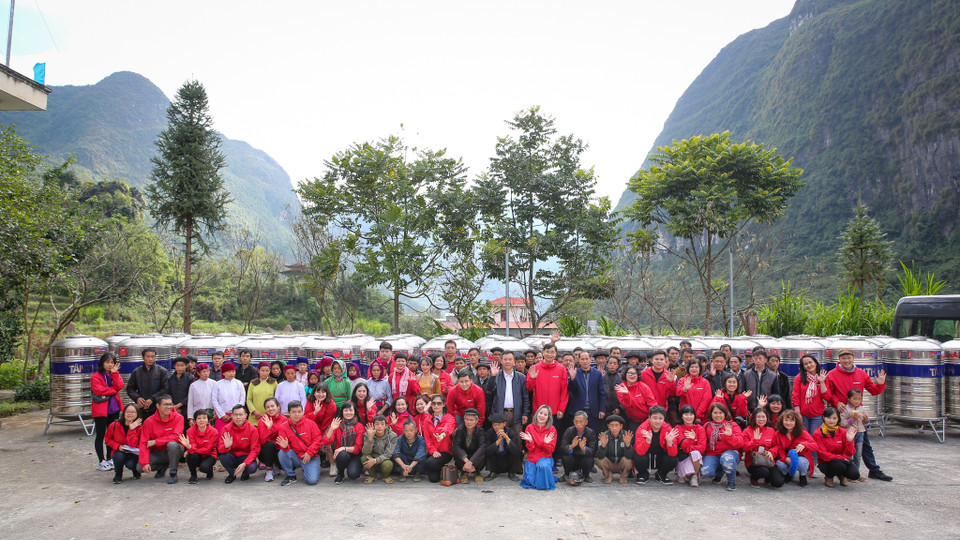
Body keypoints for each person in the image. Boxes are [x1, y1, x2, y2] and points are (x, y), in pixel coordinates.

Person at [825, 347, 892, 481]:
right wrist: (836, 401)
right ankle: (841, 472)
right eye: (843, 358)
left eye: (848, 357)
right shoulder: (832, 374)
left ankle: (873, 470)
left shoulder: (861, 374)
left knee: (864, 445)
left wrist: (880, 385)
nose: (846, 360)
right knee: (839, 445)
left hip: (857, 418)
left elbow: (873, 391)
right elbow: (826, 393)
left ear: (853, 358)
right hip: (841, 416)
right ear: (839, 360)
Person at [138, 395, 185, 484]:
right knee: (139, 468)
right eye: (166, 404)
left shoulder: (178, 418)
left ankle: (173, 473)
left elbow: (176, 436)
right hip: (158, 452)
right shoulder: (149, 421)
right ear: (157, 406)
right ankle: (162, 466)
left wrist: (156, 441)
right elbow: (144, 442)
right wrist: (145, 462)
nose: (169, 407)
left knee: (172, 444)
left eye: (171, 404)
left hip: (175, 450)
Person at [276, 400, 323, 486]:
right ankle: (290, 476)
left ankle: (308, 468)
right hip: (296, 456)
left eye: (299, 412)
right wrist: (285, 447)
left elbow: (318, 439)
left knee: (311, 481)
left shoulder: (310, 423)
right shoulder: (283, 427)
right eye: (294, 412)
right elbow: (283, 445)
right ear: (288, 413)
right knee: (282, 453)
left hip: (310, 456)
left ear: (302, 412)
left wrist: (310, 452)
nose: (297, 414)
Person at [92, 352, 124, 471]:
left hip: (113, 408)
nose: (110, 365)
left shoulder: (115, 374)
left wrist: (115, 374)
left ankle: (110, 458)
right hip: (100, 410)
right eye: (107, 362)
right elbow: (99, 390)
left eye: (112, 362)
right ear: (102, 363)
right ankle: (101, 460)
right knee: (100, 435)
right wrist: (112, 390)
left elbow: (119, 386)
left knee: (112, 434)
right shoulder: (96, 376)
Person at [632, 405, 679, 485]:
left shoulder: (668, 428)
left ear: (664, 419)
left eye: (660, 418)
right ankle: (643, 474)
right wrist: (647, 441)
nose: (657, 421)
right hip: (646, 456)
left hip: (660, 455)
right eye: (655, 418)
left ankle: (661, 474)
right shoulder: (642, 428)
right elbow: (639, 451)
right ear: (649, 417)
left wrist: (669, 443)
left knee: (673, 458)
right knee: (638, 456)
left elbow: (673, 453)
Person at [813, 406, 859, 487]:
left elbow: (850, 452)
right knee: (838, 465)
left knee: (855, 475)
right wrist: (841, 459)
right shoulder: (818, 433)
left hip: (843, 460)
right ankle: (829, 477)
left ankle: (842, 476)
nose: (831, 421)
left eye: (834, 418)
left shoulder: (843, 431)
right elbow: (822, 453)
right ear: (823, 417)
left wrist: (849, 441)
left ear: (838, 419)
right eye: (829, 418)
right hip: (827, 462)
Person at [525, 344, 569, 428]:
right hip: (539, 411)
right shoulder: (534, 368)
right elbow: (528, 387)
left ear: (556, 354)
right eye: (547, 352)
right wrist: (533, 379)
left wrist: (561, 408)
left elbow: (564, 391)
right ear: (543, 353)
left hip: (555, 411)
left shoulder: (561, 369)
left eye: (552, 352)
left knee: (554, 436)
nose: (549, 354)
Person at [701, 402, 742, 491]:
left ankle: (731, 481)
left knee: (727, 459)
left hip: (729, 453)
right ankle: (719, 473)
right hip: (713, 453)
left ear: (725, 414)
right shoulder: (707, 425)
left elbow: (740, 443)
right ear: (711, 414)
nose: (718, 415)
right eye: (715, 413)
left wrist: (730, 436)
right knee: (705, 472)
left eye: (720, 413)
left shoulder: (732, 425)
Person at [218, 404, 261, 484]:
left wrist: (245, 464)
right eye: (235, 415)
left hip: (245, 456)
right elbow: (220, 449)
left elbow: (255, 450)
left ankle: (246, 472)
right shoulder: (226, 429)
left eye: (240, 414)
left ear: (245, 415)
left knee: (252, 468)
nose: (238, 417)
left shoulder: (252, 429)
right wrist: (226, 447)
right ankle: (232, 474)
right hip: (232, 456)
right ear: (232, 416)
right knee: (223, 456)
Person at [740, 408, 783, 488]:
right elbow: (744, 448)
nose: (761, 419)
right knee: (764, 471)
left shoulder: (771, 431)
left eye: (763, 417)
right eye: (758, 417)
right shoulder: (747, 431)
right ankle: (754, 478)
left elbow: (777, 446)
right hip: (753, 462)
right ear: (754, 418)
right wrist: (754, 441)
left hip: (768, 460)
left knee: (778, 483)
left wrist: (771, 452)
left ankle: (768, 477)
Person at [326, 401, 367, 485]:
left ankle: (354, 467)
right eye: (346, 410)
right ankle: (340, 474)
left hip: (355, 455)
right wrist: (331, 429)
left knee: (353, 475)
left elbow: (357, 448)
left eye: (350, 410)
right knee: (342, 454)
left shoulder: (359, 426)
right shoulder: (338, 425)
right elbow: (326, 441)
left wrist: (342, 448)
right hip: (342, 454)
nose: (348, 413)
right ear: (342, 412)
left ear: (354, 411)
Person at [519, 404, 558, 490]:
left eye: (545, 414)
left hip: (545, 457)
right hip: (532, 457)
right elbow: (530, 449)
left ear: (549, 417)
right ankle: (544, 475)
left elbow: (551, 450)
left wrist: (546, 443)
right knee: (530, 481)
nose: (542, 416)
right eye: (541, 413)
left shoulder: (552, 429)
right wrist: (531, 441)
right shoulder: (529, 427)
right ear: (537, 414)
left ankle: (545, 474)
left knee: (542, 466)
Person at [490, 351, 530, 434]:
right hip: (500, 413)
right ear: (501, 361)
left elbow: (525, 397)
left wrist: (525, 413)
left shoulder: (521, 378)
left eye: (510, 359)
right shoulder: (496, 376)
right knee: (501, 440)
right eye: (505, 359)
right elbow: (489, 392)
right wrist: (493, 377)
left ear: (514, 361)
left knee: (517, 440)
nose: (507, 362)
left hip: (516, 413)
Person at [772, 409, 814, 487]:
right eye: (786, 420)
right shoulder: (778, 433)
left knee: (802, 462)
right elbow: (778, 448)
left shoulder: (802, 432)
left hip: (800, 457)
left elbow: (815, 445)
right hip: (786, 457)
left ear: (796, 422)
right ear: (782, 421)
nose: (788, 423)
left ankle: (802, 475)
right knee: (780, 464)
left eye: (791, 420)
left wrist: (804, 444)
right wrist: (785, 459)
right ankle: (788, 474)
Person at [420, 393, 456, 483]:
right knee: (433, 479)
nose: (436, 406)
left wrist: (442, 435)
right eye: (434, 403)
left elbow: (448, 428)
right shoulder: (427, 420)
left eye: (439, 403)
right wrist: (433, 451)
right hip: (433, 451)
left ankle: (438, 466)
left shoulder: (449, 418)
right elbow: (427, 438)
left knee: (430, 463)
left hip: (445, 451)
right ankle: (438, 467)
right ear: (431, 405)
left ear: (443, 404)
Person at [567, 351, 606, 432]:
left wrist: (602, 409)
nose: (584, 361)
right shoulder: (575, 372)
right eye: (582, 359)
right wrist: (572, 379)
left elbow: (602, 393)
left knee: (592, 433)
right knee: (577, 433)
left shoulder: (597, 373)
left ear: (590, 360)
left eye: (586, 359)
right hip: (578, 409)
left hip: (593, 411)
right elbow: (571, 389)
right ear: (579, 360)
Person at [304, 382, 337, 476]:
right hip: (311, 426)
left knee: (326, 441)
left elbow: (327, 422)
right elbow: (306, 418)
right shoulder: (310, 401)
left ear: (327, 393)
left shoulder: (331, 404)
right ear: (314, 393)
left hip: (326, 427)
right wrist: (314, 412)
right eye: (318, 392)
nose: (320, 394)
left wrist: (319, 435)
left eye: (323, 392)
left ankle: (332, 464)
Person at [126, 348, 169, 419]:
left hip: (157, 407)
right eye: (148, 356)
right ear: (143, 357)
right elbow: (130, 389)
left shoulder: (162, 371)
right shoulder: (137, 372)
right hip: (141, 407)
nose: (150, 359)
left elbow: (165, 389)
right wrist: (137, 398)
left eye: (152, 356)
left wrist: (152, 399)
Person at [106, 404, 142, 484]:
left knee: (131, 464)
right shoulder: (114, 425)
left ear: (137, 414)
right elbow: (107, 439)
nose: (130, 414)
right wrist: (117, 446)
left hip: (134, 452)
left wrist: (132, 429)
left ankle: (135, 471)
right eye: (128, 412)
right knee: (118, 456)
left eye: (133, 412)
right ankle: (118, 475)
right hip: (120, 451)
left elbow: (134, 444)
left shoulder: (140, 428)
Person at [180, 409, 218, 484]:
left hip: (209, 455)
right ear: (195, 420)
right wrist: (190, 448)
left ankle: (209, 471)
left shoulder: (214, 432)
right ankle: (193, 475)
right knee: (191, 456)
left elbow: (208, 449)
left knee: (204, 468)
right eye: (199, 418)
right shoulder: (190, 431)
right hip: (196, 455)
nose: (202, 420)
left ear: (208, 420)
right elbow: (192, 445)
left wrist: (190, 448)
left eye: (204, 418)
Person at [615, 365, 658, 433]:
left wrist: (652, 418)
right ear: (625, 374)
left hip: (646, 418)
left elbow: (652, 403)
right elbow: (627, 405)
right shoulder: (621, 388)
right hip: (631, 419)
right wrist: (627, 394)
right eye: (630, 373)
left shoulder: (643, 386)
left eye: (635, 374)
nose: (632, 376)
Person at [559, 411, 597, 485]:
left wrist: (583, 448)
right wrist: (572, 446)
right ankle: (566, 474)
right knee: (566, 457)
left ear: (586, 422)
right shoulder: (569, 431)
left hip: (583, 459)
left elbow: (593, 451)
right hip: (572, 458)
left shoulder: (591, 432)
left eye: (581, 422)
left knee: (589, 458)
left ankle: (586, 475)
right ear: (573, 422)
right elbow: (562, 448)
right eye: (576, 421)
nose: (578, 424)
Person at [483, 412, 524, 481]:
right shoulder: (489, 433)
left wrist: (507, 438)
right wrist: (498, 440)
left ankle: (512, 472)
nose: (496, 427)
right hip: (496, 458)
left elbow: (515, 450)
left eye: (499, 425)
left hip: (507, 457)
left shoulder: (511, 432)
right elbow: (488, 450)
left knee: (517, 451)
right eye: (494, 425)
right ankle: (493, 472)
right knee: (490, 450)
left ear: (504, 424)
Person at [840, 388, 869, 481]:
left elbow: (866, 424)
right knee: (849, 454)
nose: (857, 401)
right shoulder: (846, 409)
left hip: (860, 433)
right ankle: (848, 474)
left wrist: (866, 420)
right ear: (848, 398)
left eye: (859, 399)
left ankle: (856, 474)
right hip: (849, 434)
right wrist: (851, 419)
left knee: (858, 455)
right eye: (854, 398)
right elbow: (842, 423)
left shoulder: (862, 409)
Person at [595, 414, 634, 485]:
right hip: (609, 463)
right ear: (608, 426)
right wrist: (603, 446)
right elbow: (600, 456)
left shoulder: (626, 435)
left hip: (621, 463)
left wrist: (628, 445)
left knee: (628, 461)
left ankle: (623, 476)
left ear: (621, 426)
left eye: (616, 425)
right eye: (612, 425)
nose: (614, 428)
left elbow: (629, 456)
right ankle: (608, 475)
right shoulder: (604, 435)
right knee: (599, 460)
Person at [256, 397, 288, 482]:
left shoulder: (284, 420)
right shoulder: (263, 420)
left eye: (272, 406)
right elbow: (263, 441)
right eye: (268, 407)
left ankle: (277, 465)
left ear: (278, 407)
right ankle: (269, 469)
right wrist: (269, 428)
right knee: (269, 444)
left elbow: (285, 437)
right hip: (266, 452)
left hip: (279, 450)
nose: (270, 409)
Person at [360, 414, 399, 484]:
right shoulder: (367, 434)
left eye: (382, 424)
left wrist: (376, 460)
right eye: (377, 424)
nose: (380, 426)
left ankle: (385, 476)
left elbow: (388, 454)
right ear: (373, 426)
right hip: (371, 461)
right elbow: (365, 452)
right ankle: (372, 476)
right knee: (364, 457)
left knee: (388, 464)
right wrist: (370, 438)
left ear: (386, 426)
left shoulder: (392, 436)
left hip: (383, 460)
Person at [451, 408, 486, 483]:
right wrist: (467, 461)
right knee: (458, 454)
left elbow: (482, 447)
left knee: (481, 454)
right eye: (467, 419)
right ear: (464, 420)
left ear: (476, 421)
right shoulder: (460, 430)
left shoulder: (480, 430)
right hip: (465, 457)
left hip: (475, 456)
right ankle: (464, 472)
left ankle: (478, 472)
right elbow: (456, 446)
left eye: (471, 420)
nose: (469, 422)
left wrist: (471, 462)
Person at [675, 405, 706, 487]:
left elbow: (702, 448)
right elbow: (680, 445)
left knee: (696, 453)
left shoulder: (700, 429)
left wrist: (688, 448)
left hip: (694, 457)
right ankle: (683, 474)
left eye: (691, 414)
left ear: (694, 416)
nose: (689, 417)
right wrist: (691, 440)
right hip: (683, 457)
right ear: (681, 416)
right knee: (687, 473)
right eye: (686, 414)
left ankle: (695, 476)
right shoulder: (678, 428)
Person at [211, 362, 245, 434]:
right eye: (229, 372)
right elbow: (214, 400)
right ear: (223, 373)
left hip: (236, 416)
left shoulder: (239, 383)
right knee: (222, 436)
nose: (231, 373)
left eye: (233, 371)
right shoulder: (218, 384)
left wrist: (236, 414)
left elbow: (242, 399)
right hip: (222, 416)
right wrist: (222, 415)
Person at [676, 359, 712, 423]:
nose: (694, 369)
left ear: (700, 369)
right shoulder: (682, 380)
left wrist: (698, 415)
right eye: (692, 367)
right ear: (688, 368)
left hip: (701, 417)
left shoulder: (705, 382)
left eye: (696, 367)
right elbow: (677, 393)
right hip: (685, 416)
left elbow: (707, 399)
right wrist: (684, 389)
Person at [166, 356, 194, 434]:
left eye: (182, 365)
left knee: (185, 429)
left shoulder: (190, 378)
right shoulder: (170, 378)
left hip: (185, 408)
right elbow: (167, 392)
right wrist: (173, 406)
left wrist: (179, 405)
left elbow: (190, 394)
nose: (180, 368)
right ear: (174, 366)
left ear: (186, 366)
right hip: (172, 408)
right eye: (178, 365)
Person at [246, 362, 277, 426]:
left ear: (270, 371)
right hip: (254, 417)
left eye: (267, 371)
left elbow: (277, 399)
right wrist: (254, 411)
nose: (264, 373)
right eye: (262, 370)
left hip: (269, 416)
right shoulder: (253, 383)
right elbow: (249, 400)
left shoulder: (273, 382)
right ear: (258, 371)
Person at [474, 360, 497, 427]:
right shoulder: (473, 383)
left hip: (489, 410)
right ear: (477, 371)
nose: (482, 371)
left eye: (484, 369)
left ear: (488, 371)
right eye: (480, 369)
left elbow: (495, 398)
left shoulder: (493, 381)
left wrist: (493, 412)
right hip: (476, 411)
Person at [602, 352, 624, 418]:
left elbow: (625, 396)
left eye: (615, 363)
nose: (612, 365)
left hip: (618, 410)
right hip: (605, 410)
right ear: (607, 364)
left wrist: (620, 408)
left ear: (618, 365)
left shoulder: (621, 378)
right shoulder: (602, 377)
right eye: (610, 363)